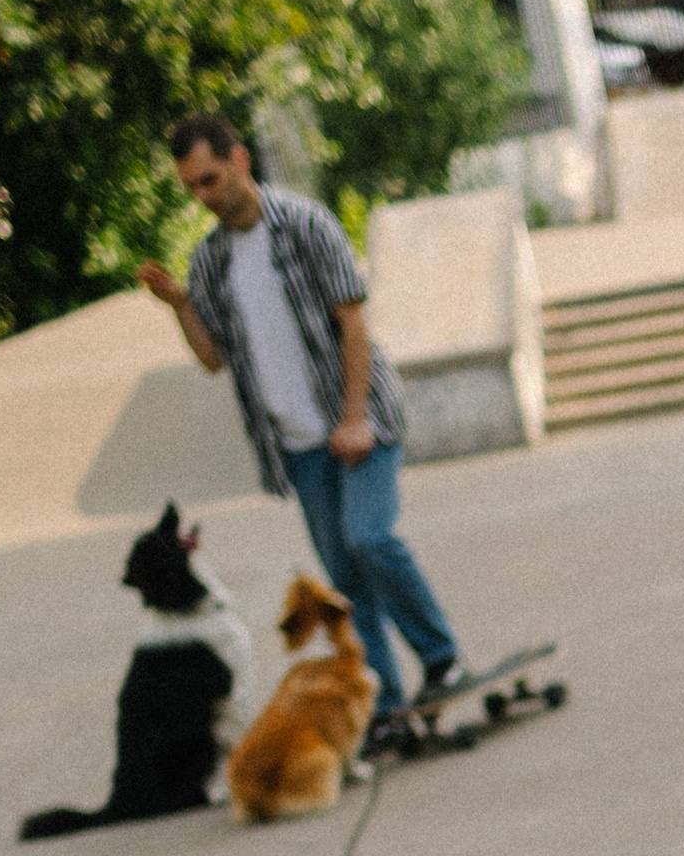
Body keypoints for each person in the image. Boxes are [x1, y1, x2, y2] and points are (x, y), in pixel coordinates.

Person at [137, 117, 463, 734]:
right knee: (343, 582)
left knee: (370, 539)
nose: (203, 196)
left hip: (360, 421)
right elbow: (213, 360)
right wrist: (181, 305)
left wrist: (354, 418)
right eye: (191, 188)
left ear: (239, 159)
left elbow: (353, 323)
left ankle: (441, 657)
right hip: (297, 445)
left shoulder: (306, 225)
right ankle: (384, 699)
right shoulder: (209, 260)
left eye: (210, 179)